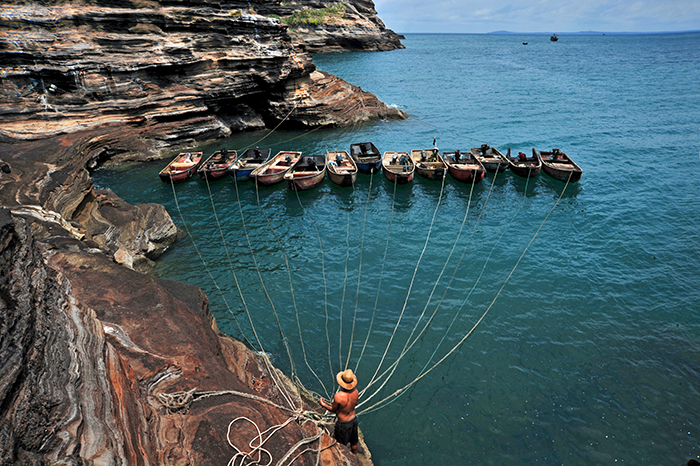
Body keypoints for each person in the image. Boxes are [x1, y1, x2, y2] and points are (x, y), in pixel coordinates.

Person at [319, 369, 359, 454]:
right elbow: (355, 404)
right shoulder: (356, 392)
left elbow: (333, 410)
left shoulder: (338, 396)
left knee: (341, 445)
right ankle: (355, 459)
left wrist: (323, 404)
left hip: (343, 424)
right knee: (354, 442)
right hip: (353, 419)